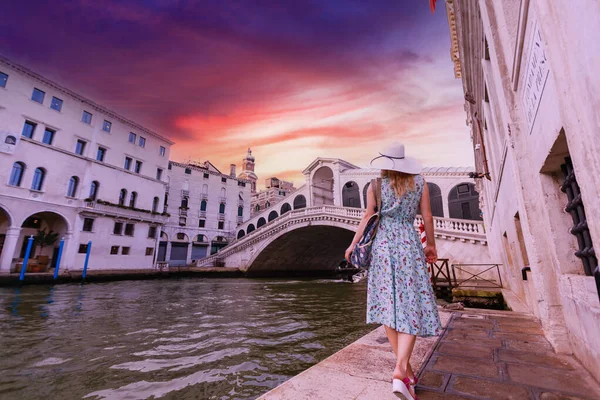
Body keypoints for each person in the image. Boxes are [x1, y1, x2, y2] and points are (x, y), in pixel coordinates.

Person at [345, 143, 442, 400]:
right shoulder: (420, 183)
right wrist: (430, 245)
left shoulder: (374, 186)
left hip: (383, 247)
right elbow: (427, 217)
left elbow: (368, 217)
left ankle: (404, 372)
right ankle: (403, 371)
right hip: (409, 244)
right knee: (411, 305)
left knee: (388, 306)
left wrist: (353, 244)